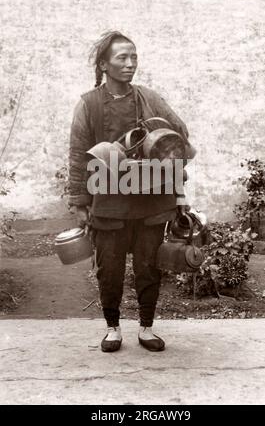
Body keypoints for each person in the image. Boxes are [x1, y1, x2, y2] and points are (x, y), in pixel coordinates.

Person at [68, 31, 195, 353]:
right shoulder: (90, 104)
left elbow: (180, 137)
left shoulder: (149, 97)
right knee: (109, 269)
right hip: (109, 201)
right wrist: (79, 202)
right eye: (122, 58)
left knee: (149, 267)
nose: (129, 64)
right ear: (104, 64)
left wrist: (159, 133)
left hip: (152, 199)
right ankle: (113, 329)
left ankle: (147, 327)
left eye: (134, 57)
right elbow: (78, 152)